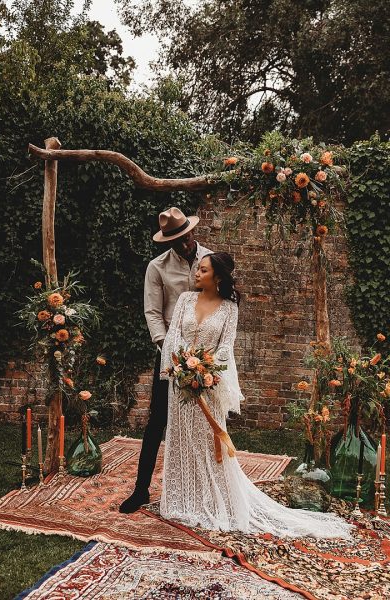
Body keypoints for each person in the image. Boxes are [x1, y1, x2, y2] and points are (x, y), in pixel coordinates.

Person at [159, 252, 353, 538]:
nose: (196, 274)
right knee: (181, 438)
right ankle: (184, 499)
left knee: (209, 441)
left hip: (208, 384)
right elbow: (174, 335)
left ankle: (213, 500)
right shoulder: (186, 300)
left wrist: (205, 370)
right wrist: (178, 368)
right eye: (197, 270)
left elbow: (226, 347)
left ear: (218, 277)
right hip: (180, 384)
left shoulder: (229, 308)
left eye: (202, 270)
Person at [119, 207, 211, 513]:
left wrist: (205, 353)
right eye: (176, 241)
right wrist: (168, 350)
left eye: (185, 238)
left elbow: (223, 302)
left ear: (191, 232)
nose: (184, 245)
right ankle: (141, 489)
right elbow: (153, 314)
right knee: (157, 420)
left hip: (205, 351)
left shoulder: (212, 260)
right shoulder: (157, 267)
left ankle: (203, 492)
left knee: (205, 421)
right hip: (170, 353)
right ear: (167, 242)